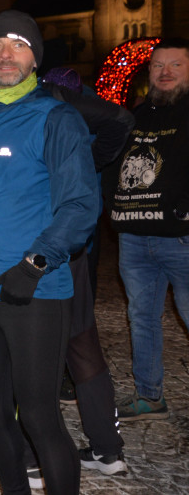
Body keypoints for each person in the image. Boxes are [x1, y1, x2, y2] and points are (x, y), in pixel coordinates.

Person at [0, 10, 99, 494]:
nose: (5, 54)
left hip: (34, 293)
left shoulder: (56, 117)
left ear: (34, 58)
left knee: (38, 414)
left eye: (17, 45)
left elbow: (80, 205)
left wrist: (34, 264)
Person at [105, 37, 189, 421]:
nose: (166, 72)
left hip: (182, 239)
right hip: (135, 238)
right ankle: (150, 395)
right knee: (141, 317)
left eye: (176, 65)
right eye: (158, 66)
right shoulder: (135, 116)